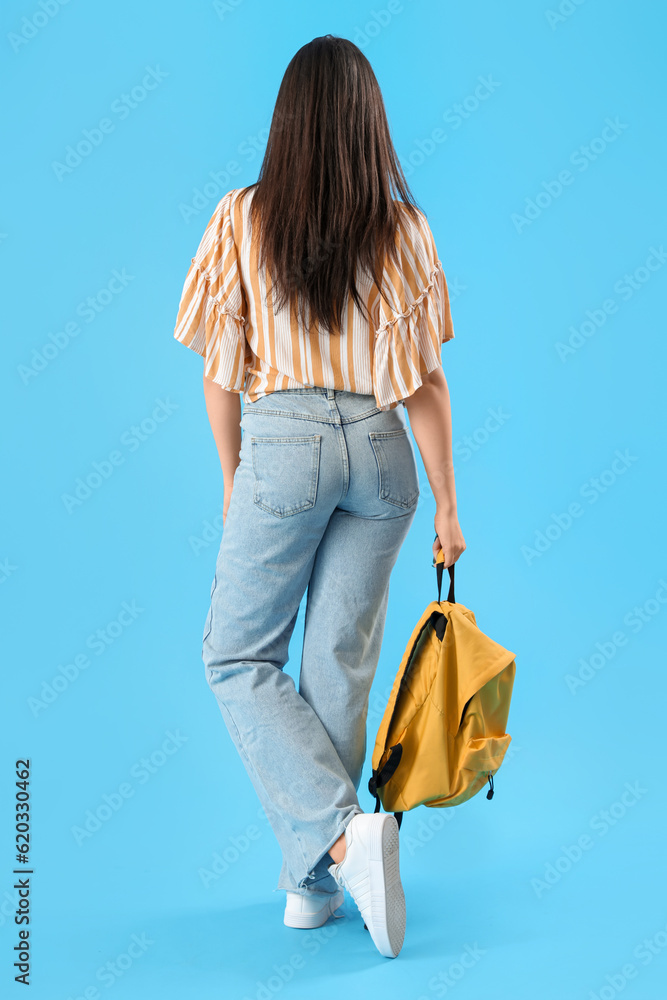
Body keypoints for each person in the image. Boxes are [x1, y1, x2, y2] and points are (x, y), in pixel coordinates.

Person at [173, 34, 465, 959]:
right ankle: (315, 888)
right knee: (335, 664)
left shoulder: (242, 217)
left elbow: (221, 371)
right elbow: (425, 383)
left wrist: (233, 479)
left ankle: (338, 842)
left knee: (233, 656)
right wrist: (449, 508)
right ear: (368, 125)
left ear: (287, 123)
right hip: (382, 459)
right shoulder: (404, 229)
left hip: (286, 445)